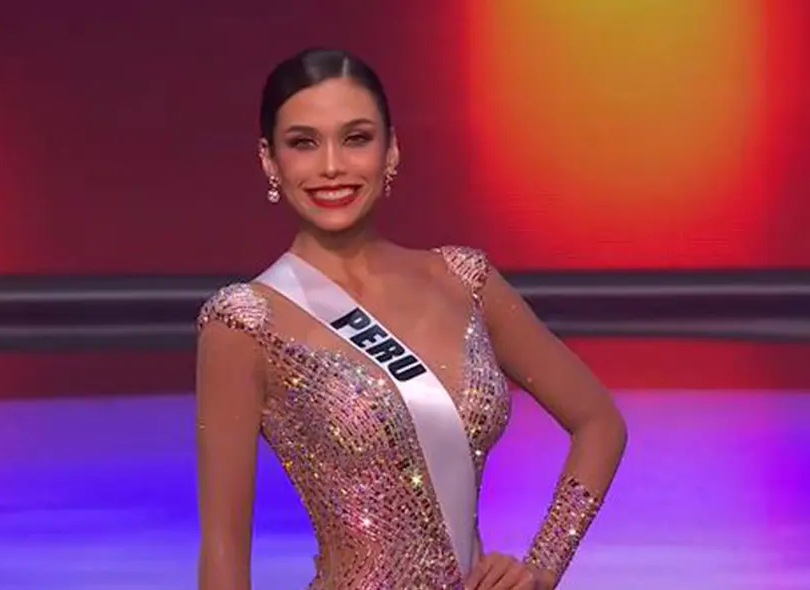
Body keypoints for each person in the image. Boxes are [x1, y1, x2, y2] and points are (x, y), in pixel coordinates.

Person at [195, 47, 627, 589]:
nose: (332, 165)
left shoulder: (465, 280)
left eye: (356, 138)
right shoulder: (245, 322)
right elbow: (223, 549)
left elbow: (599, 423)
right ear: (269, 160)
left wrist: (541, 568)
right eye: (304, 143)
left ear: (391, 149)